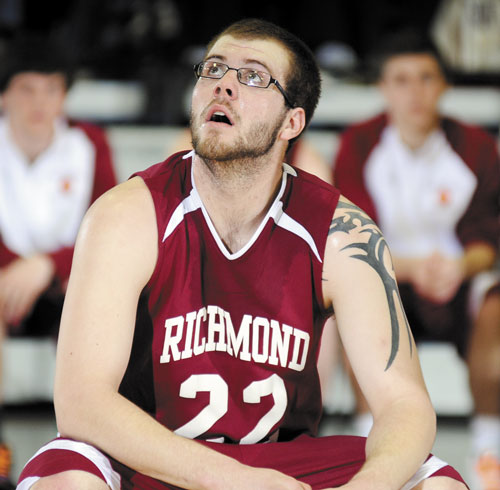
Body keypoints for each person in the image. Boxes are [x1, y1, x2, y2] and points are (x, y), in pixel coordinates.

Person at [18, 19, 467, 489]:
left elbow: (404, 404)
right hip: (148, 458)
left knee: (434, 481)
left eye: (253, 76)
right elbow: (81, 402)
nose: (224, 85)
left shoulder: (341, 232)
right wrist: (234, 481)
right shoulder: (127, 215)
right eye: (213, 68)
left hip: (279, 464)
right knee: (67, 475)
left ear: (292, 122)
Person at [333, 28, 500, 489]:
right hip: (386, 278)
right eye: (401, 80)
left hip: (457, 282)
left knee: (496, 305)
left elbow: (487, 237)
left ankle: (490, 449)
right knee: (353, 295)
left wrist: (460, 268)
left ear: (443, 85)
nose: (415, 92)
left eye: (426, 78)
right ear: (383, 88)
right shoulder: (360, 145)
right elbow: (348, 236)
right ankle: (369, 437)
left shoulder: (475, 147)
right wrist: (409, 268)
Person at [0, 34, 117, 489]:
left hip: (69, 286)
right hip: (6, 288)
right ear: (6, 93)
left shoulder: (88, 145)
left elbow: (110, 225)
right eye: (28, 89)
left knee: (92, 301)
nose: (40, 102)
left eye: (51, 89)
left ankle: (83, 453)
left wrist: (48, 264)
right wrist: (17, 268)